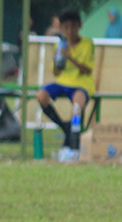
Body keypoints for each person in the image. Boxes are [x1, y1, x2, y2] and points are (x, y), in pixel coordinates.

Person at [36, 8, 94, 159]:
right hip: (63, 82)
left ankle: (73, 146)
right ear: (61, 28)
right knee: (41, 95)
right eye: (66, 27)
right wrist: (58, 61)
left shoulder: (87, 44)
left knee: (77, 107)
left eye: (73, 26)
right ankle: (65, 128)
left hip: (81, 84)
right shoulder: (60, 45)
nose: (70, 31)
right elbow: (56, 73)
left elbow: (88, 70)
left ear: (79, 26)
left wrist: (70, 57)